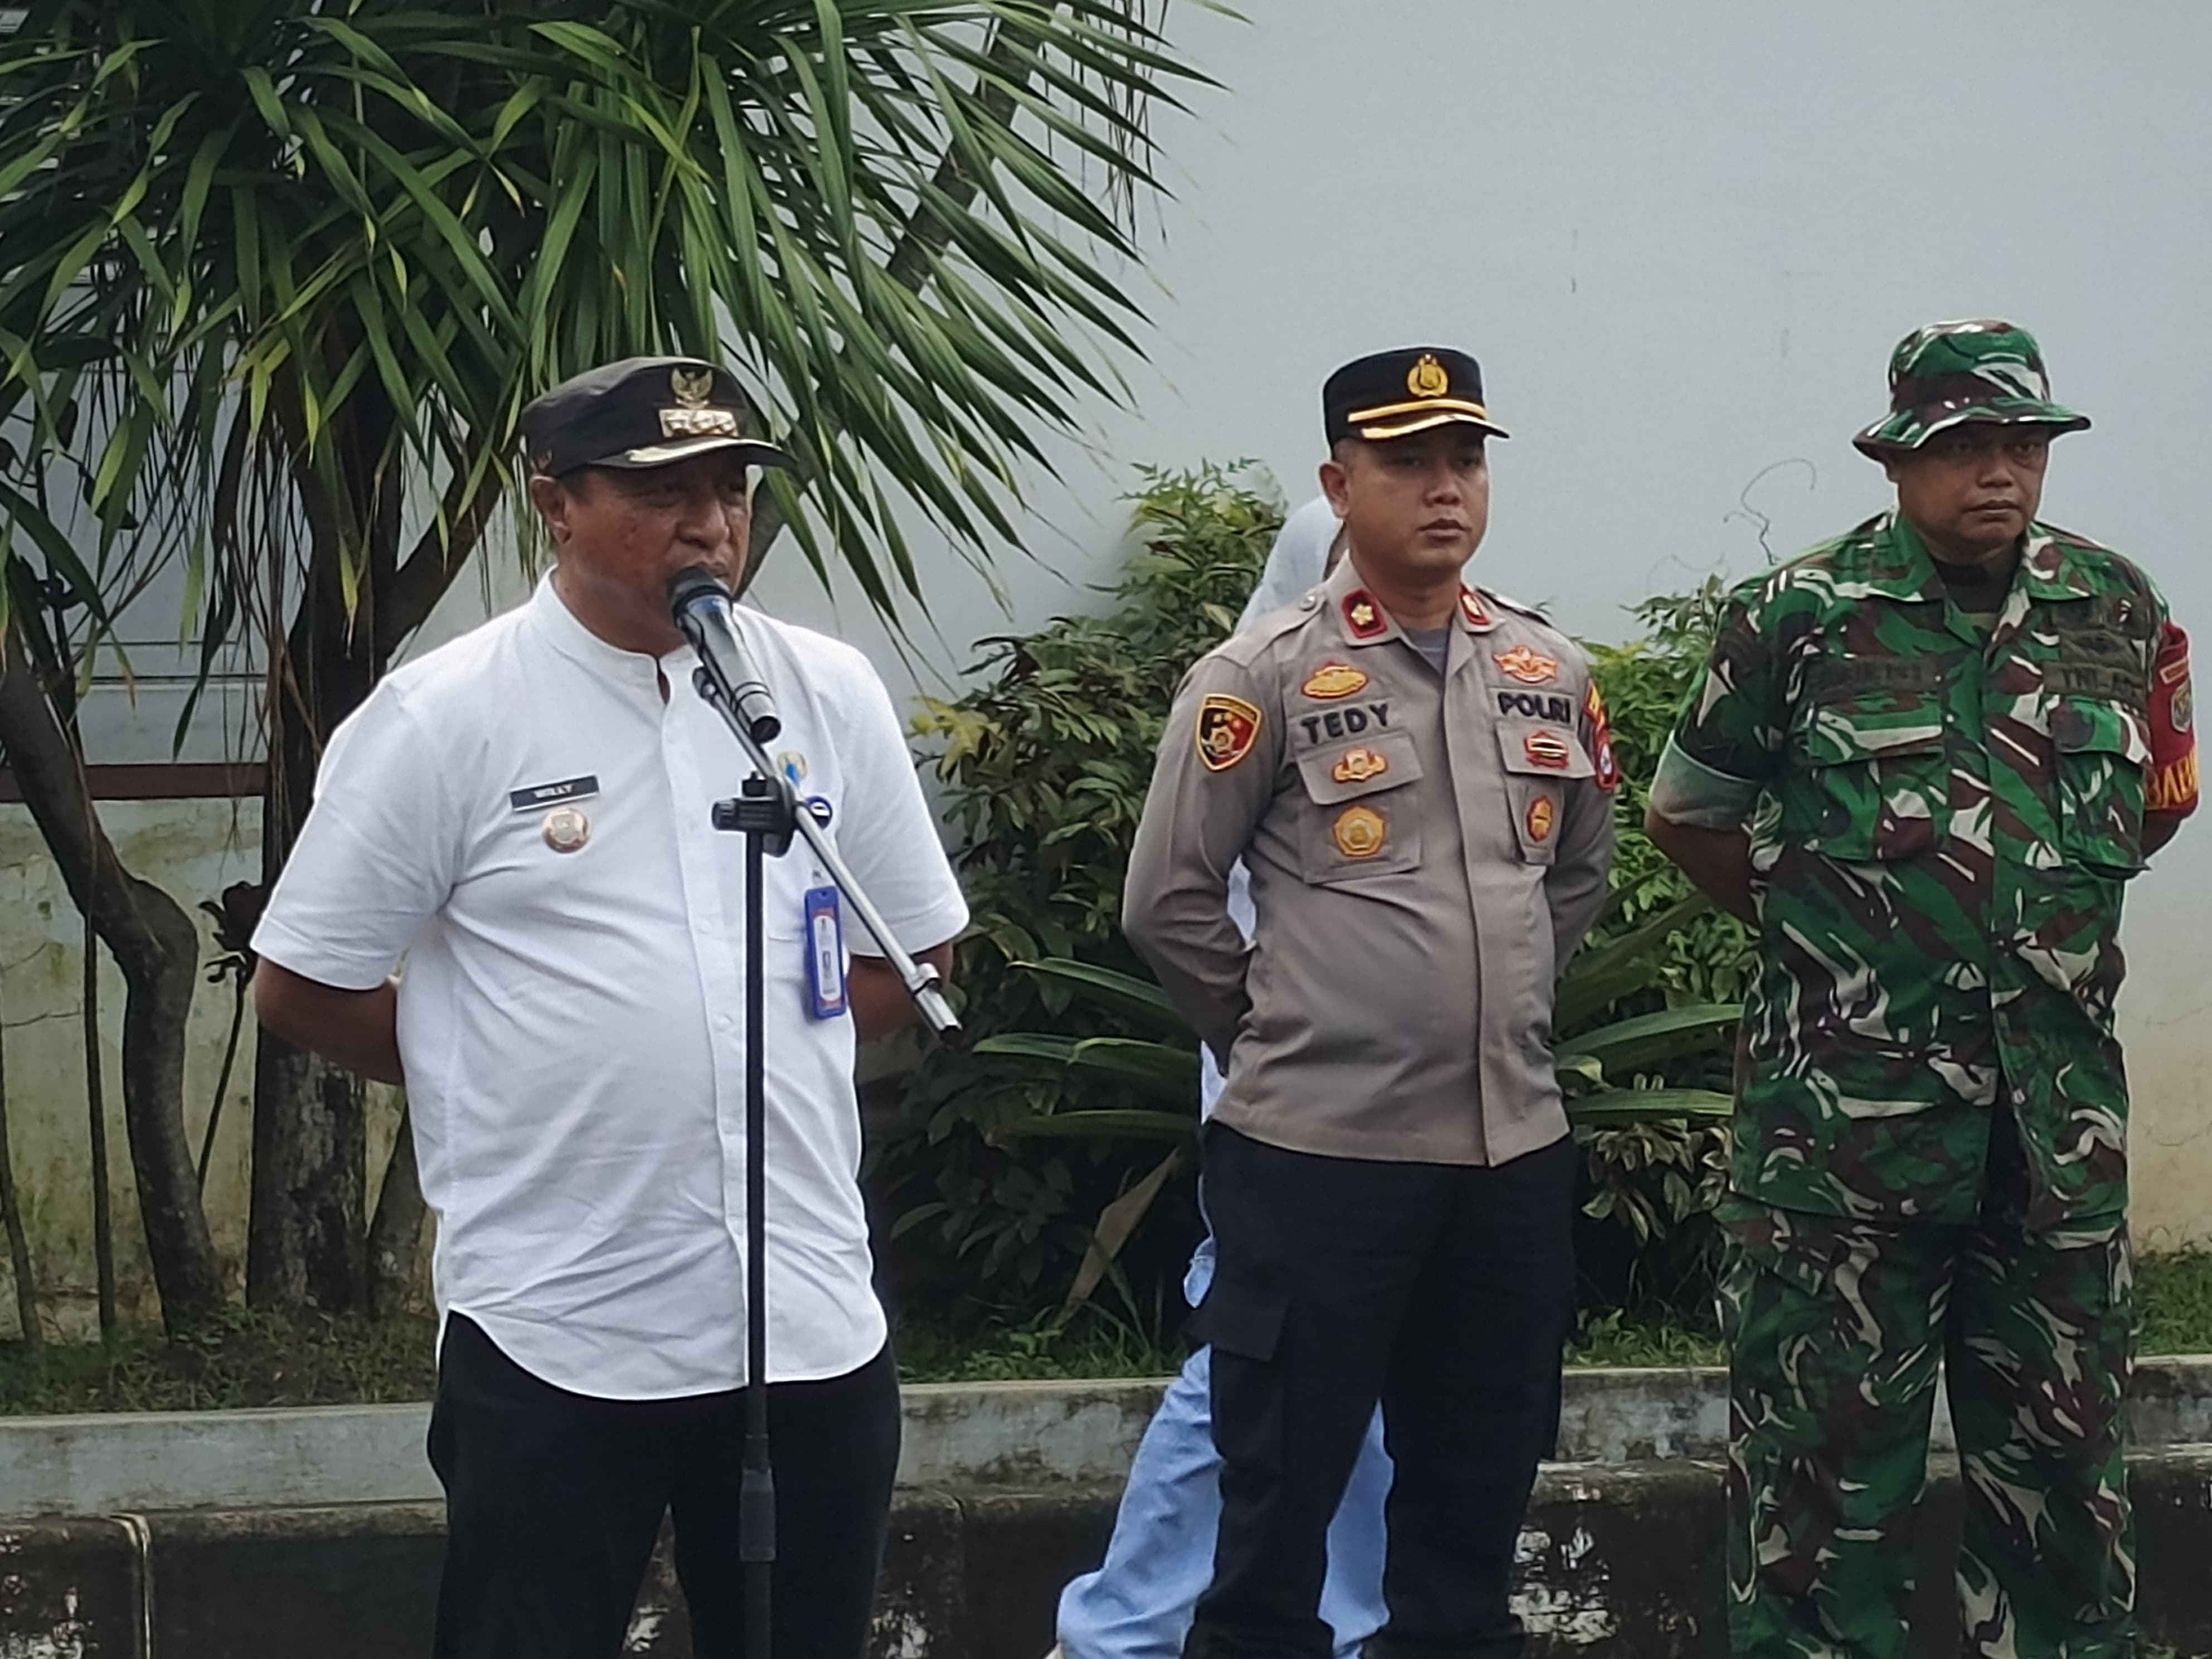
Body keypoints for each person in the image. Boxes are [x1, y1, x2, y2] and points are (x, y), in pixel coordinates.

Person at [250, 357, 970, 1659]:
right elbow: (304, 984)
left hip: (802, 1315)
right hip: (561, 1321)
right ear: (555, 504)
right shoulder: (445, 714)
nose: (709, 525)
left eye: (730, 490)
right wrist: (495, 1064)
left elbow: (908, 949)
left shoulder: (820, 692)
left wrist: (751, 1049)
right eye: (660, 494)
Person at [1643, 319, 2200, 1658]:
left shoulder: (2115, 609)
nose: (1998, 472)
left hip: (2052, 1139)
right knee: (1821, 1493)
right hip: (1843, 1138)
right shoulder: (1794, 617)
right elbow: (1686, 814)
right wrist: (1831, 943)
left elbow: (2151, 810)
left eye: (2022, 445)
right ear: (1898, 460)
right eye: (1964, 446)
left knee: (2068, 1489)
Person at [1124, 347, 1618, 1659]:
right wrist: (1281, 1031)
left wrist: (1495, 1003)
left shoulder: (1549, 668)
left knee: (1473, 1509)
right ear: (1339, 487)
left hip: (1507, 1157)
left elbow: (1575, 873)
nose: (1443, 489)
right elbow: (1169, 899)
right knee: (1276, 1516)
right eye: (1406, 464)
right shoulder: (1260, 675)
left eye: (1464, 460)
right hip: (1317, 1160)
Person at [1054, 497, 1394, 1659]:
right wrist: (1270, 1048)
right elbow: (1179, 907)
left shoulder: (1448, 693)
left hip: (1428, 1116)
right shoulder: (1253, 705)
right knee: (1243, 1374)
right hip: (1289, 1116)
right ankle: (1117, 1632)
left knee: (1376, 1386)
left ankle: (1352, 1626)